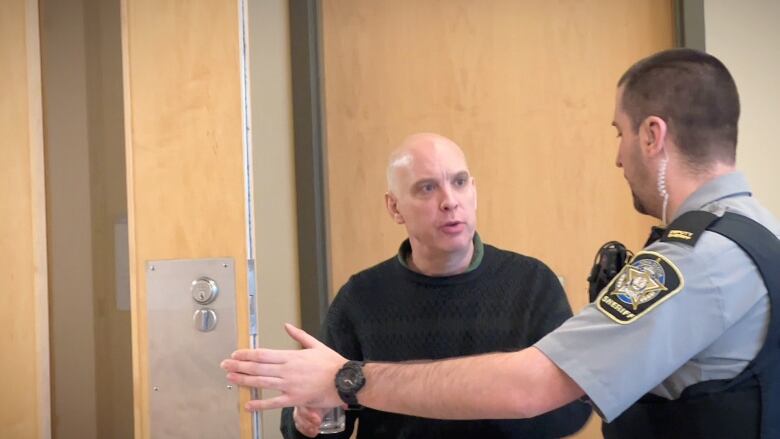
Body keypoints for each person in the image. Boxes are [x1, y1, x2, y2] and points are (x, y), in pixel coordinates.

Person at [221, 49, 780, 438]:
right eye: (426, 188)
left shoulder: (693, 260)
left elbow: (540, 388)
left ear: (652, 135)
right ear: (395, 207)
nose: (617, 155)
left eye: (619, 132)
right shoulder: (757, 233)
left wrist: (348, 379)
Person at [279, 133, 591, 438]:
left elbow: (573, 410)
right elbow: (324, 415)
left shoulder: (532, 283)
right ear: (394, 207)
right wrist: (305, 419)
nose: (450, 202)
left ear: (474, 190)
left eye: (459, 182)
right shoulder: (361, 297)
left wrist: (494, 399)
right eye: (427, 188)